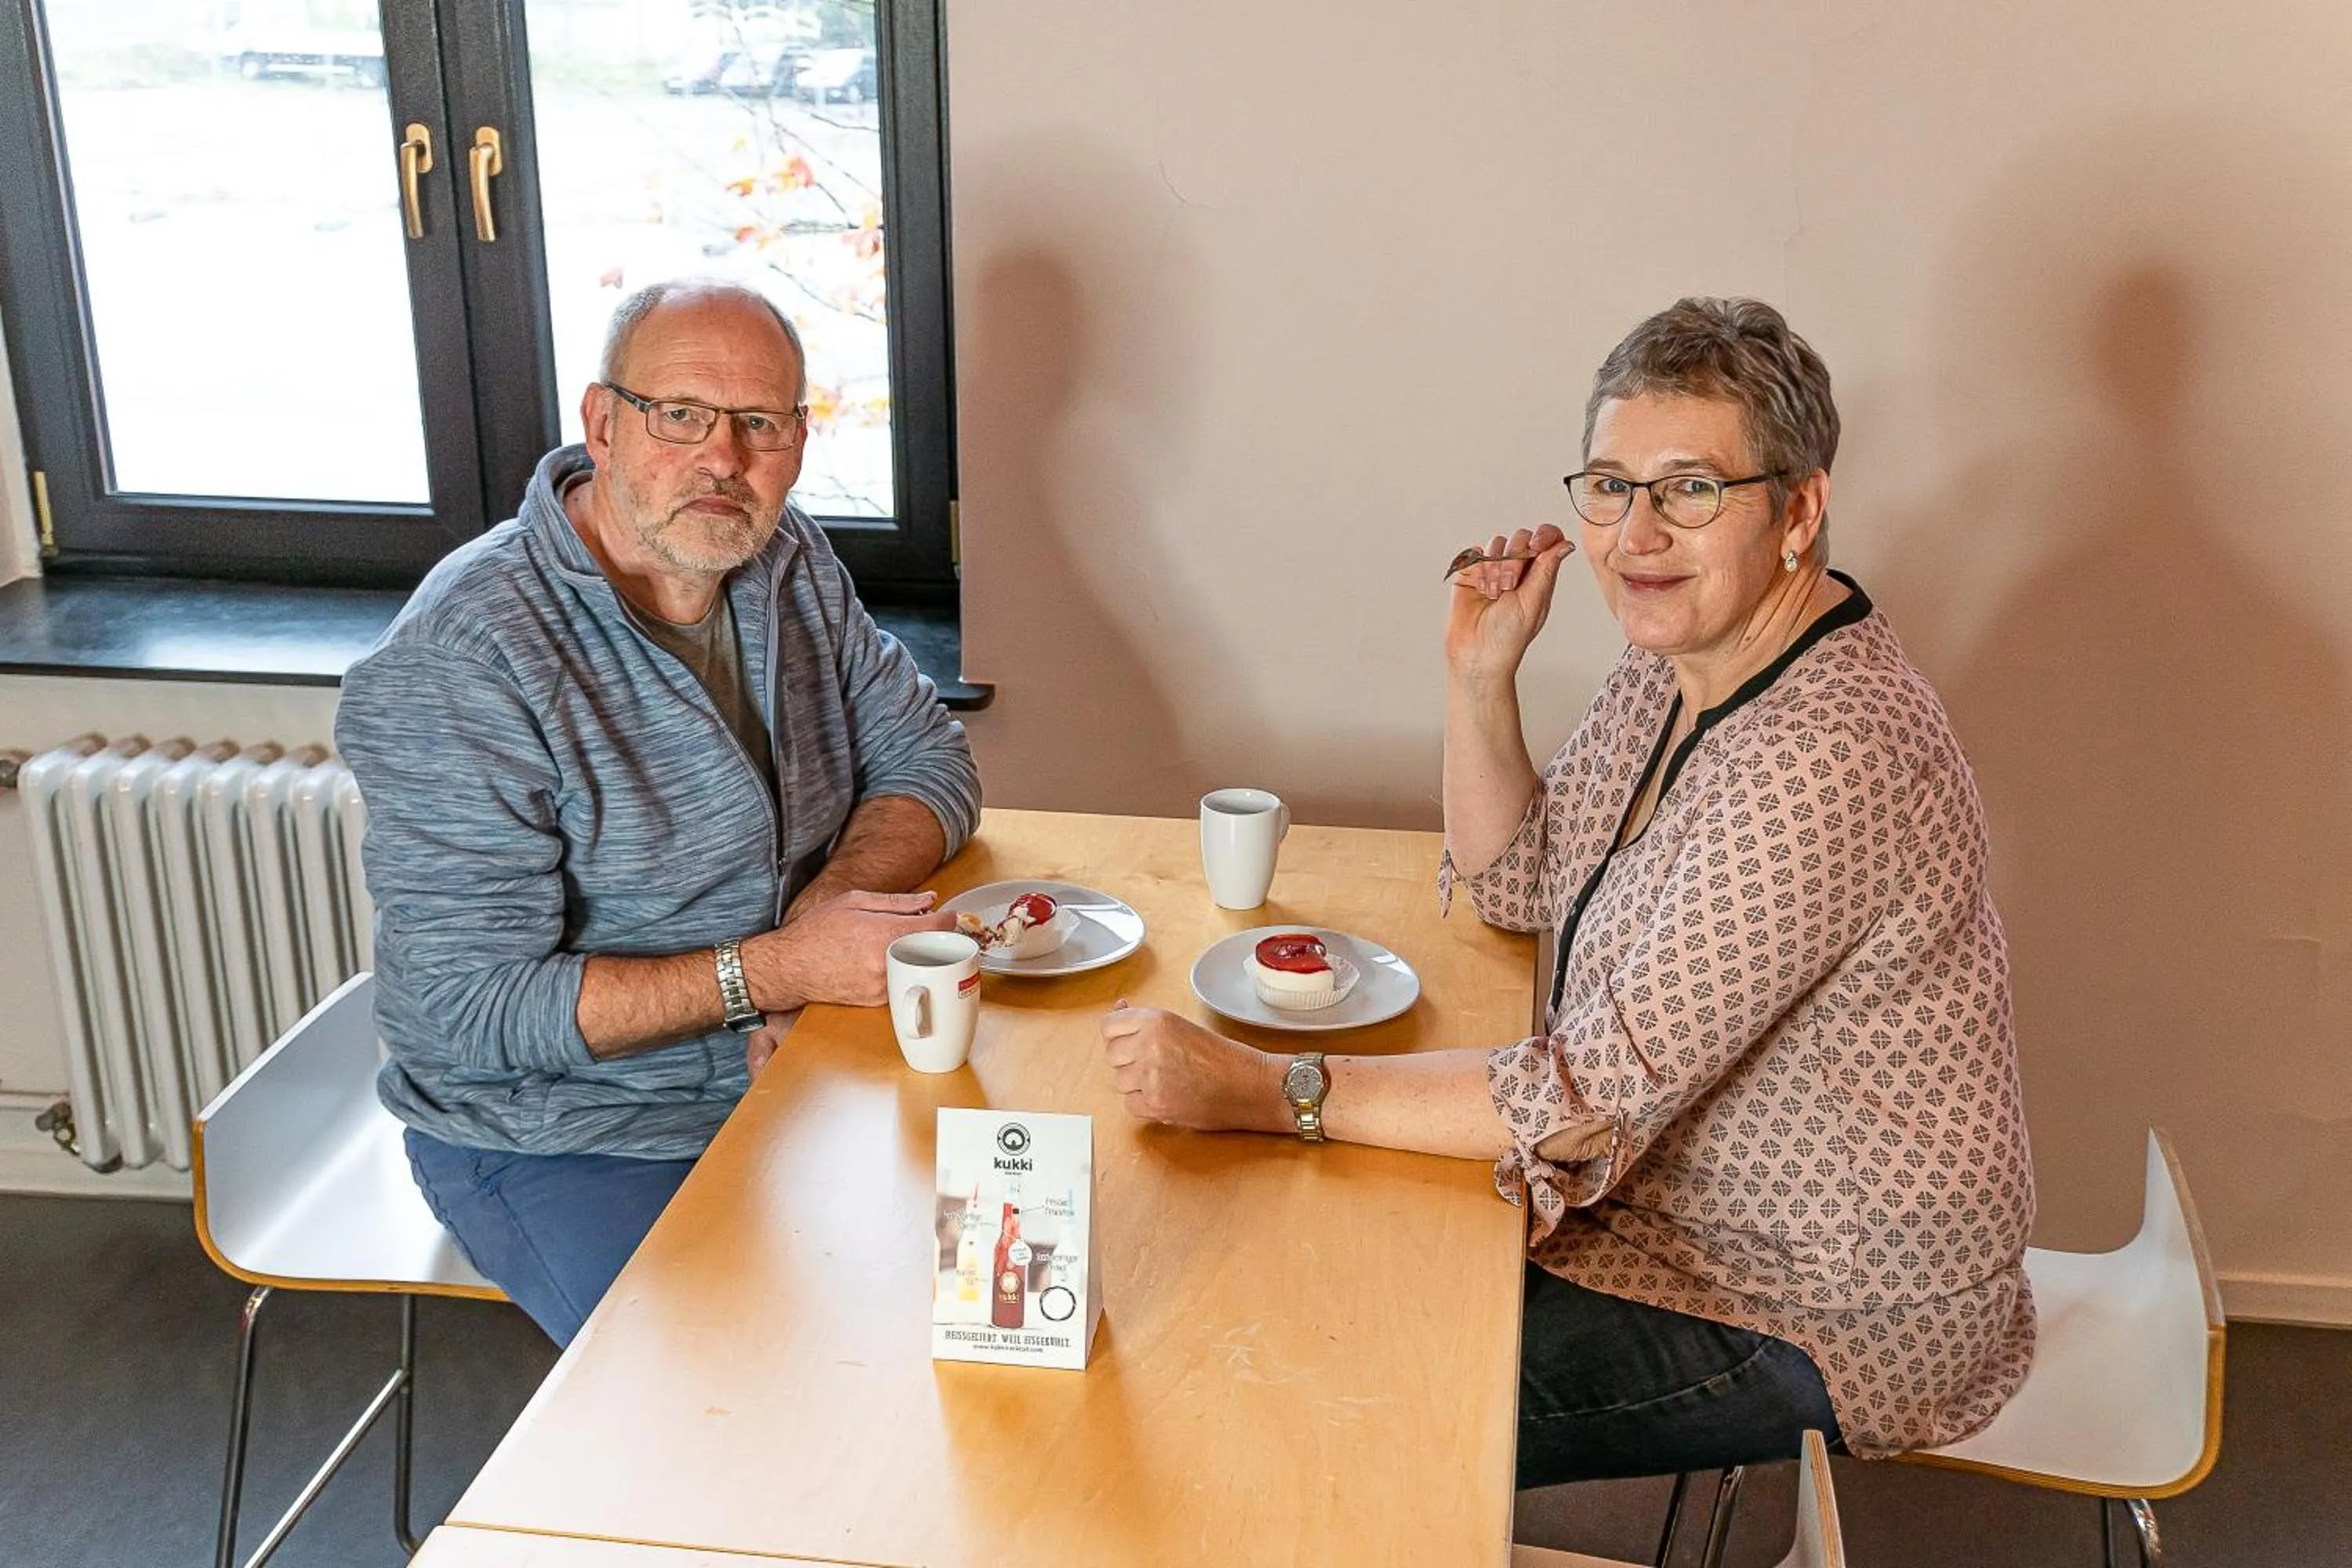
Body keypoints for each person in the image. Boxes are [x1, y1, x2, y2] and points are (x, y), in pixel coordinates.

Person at [1096, 297, 2034, 1477]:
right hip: (1665, 1217)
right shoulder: (1681, 659)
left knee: (1332, 1400)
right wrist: (1481, 678)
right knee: (1297, 1292)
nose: (1636, 534)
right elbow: (1519, 883)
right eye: (1609, 485)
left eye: (1691, 490)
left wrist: (1267, 1088)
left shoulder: (1828, 757)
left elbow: (1580, 1097)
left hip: (1819, 1305)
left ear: (1799, 512)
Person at [337, 280, 982, 1345]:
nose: (724, 460)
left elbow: (927, 757)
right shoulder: (465, 656)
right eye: (680, 415)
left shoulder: (785, 558)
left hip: (804, 1069)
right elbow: (466, 1012)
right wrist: (777, 972)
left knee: (1012, 1301)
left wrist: (815, 936)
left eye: (761, 425)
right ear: (601, 425)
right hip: (573, 1135)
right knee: (747, 1424)